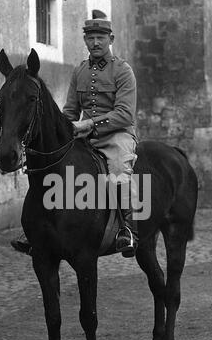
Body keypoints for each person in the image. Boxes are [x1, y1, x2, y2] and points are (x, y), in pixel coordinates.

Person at [11, 18, 138, 257]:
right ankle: (37, 230)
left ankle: (126, 228)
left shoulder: (123, 71)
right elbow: (69, 111)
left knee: (119, 169)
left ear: (110, 40)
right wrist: (63, 128)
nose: (95, 42)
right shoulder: (79, 70)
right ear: (85, 41)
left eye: (100, 38)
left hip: (117, 134)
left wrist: (89, 124)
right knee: (51, 165)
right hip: (82, 134)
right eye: (90, 38)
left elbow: (125, 114)